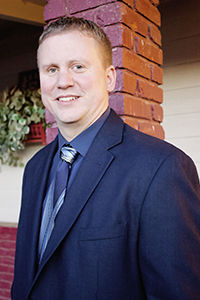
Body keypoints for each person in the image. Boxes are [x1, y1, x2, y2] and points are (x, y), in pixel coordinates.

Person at [11, 16, 200, 300]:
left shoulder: (162, 169)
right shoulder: (34, 168)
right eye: (51, 69)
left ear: (110, 78)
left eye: (78, 66)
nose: (64, 82)